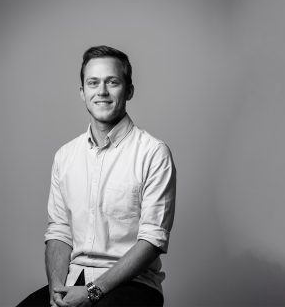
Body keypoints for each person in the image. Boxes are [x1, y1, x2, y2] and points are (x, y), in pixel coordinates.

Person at [17, 45, 176, 307]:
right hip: (74, 281)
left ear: (129, 90)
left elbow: (152, 240)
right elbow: (59, 231)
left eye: (112, 82)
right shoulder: (65, 156)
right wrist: (57, 290)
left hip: (133, 286)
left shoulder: (153, 153)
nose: (101, 91)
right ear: (82, 92)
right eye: (93, 83)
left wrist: (92, 292)